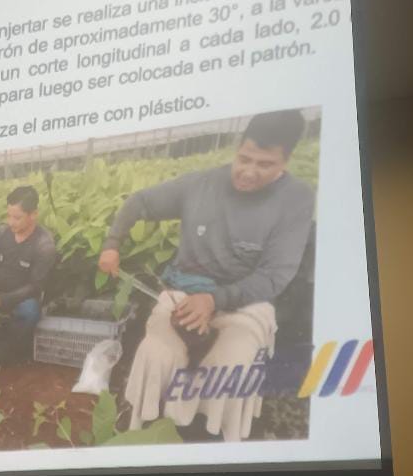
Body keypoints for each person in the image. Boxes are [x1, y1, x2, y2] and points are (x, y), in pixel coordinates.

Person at [98, 110, 315, 441]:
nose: (249, 171)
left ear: (286, 161)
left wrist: (214, 300)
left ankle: (211, 438)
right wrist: (112, 244)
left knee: (232, 363)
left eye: (264, 164)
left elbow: (274, 275)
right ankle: (147, 432)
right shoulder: (201, 185)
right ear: (238, 148)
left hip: (245, 303)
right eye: (244, 158)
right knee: (157, 355)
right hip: (182, 293)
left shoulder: (295, 199)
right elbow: (139, 202)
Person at [0, 186, 57, 364]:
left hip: (21, 297)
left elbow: (35, 287)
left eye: (17, 218)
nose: (11, 222)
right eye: (9, 216)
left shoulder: (44, 245)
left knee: (30, 312)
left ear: (33, 214)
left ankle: (4, 351)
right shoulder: (3, 233)